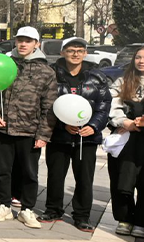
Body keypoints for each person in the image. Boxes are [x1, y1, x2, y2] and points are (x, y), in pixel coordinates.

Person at [0, 26, 57, 228]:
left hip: (30, 130)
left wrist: (43, 134)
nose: (23, 44)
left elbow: (49, 106)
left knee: (29, 173)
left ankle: (27, 209)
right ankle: (4, 205)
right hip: (3, 129)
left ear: (37, 44)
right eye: (20, 40)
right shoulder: (4, 64)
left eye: (28, 41)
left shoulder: (46, 71)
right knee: (2, 170)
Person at [41, 37, 109, 231]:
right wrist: (63, 125)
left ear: (85, 53)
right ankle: (53, 209)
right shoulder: (52, 74)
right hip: (59, 137)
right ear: (63, 52)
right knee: (55, 175)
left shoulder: (96, 76)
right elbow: (46, 104)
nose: (76, 54)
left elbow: (104, 106)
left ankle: (82, 215)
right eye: (71, 50)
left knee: (84, 178)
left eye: (80, 50)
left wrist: (94, 126)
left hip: (86, 139)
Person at [107, 45, 144, 239]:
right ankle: (124, 218)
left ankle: (142, 222)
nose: (141, 61)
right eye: (138, 57)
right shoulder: (124, 80)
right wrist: (125, 122)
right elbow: (112, 104)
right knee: (121, 179)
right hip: (126, 137)